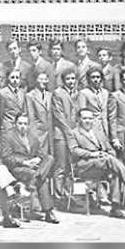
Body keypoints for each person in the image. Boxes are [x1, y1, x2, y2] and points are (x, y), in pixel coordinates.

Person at [69, 108, 125, 219]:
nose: (88, 121)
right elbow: (74, 150)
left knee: (114, 172)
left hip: (102, 165)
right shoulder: (73, 133)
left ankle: (115, 208)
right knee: (109, 160)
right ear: (79, 119)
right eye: (85, 118)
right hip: (85, 166)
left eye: (90, 118)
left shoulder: (98, 132)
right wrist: (92, 154)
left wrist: (109, 154)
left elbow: (109, 148)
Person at [0, 114, 58, 224]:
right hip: (17, 168)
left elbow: (41, 153)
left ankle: (34, 181)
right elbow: (6, 157)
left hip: (33, 167)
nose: (23, 126)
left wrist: (37, 159)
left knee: (49, 158)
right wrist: (25, 162)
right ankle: (48, 212)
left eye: (25, 124)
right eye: (20, 123)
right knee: (42, 179)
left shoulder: (32, 137)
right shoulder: (8, 137)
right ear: (15, 124)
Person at [51, 68, 79, 199]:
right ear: (63, 80)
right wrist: (69, 133)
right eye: (68, 79)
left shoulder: (77, 94)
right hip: (61, 135)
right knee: (61, 166)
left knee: (70, 166)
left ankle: (69, 195)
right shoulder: (57, 93)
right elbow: (59, 116)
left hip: (74, 135)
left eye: (73, 78)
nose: (71, 81)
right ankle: (58, 195)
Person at [25, 70, 54, 155]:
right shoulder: (30, 96)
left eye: (45, 79)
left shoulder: (50, 95)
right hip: (38, 133)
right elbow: (31, 118)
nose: (43, 82)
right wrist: (34, 137)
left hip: (50, 134)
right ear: (36, 80)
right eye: (40, 79)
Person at [76, 67, 109, 138]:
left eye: (98, 77)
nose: (96, 79)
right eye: (93, 77)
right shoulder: (83, 93)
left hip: (104, 127)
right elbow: (82, 113)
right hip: (91, 128)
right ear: (88, 79)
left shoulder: (105, 92)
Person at [0, 69, 28, 136]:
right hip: (7, 128)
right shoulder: (2, 93)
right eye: (12, 77)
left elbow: (23, 111)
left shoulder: (22, 93)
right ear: (8, 78)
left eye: (17, 78)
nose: (15, 80)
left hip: (19, 128)